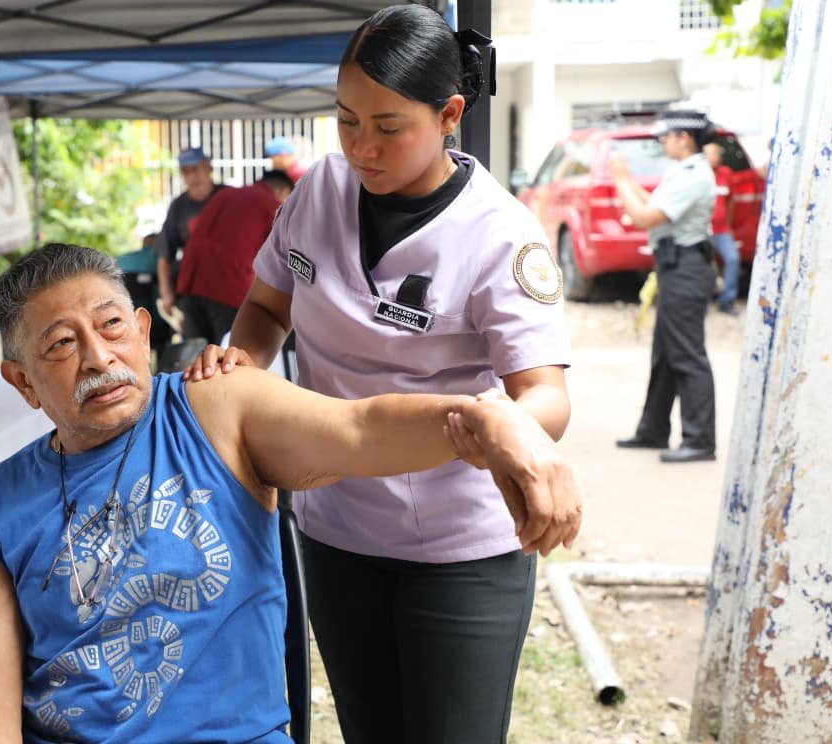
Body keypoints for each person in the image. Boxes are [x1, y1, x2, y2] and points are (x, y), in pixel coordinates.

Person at [0, 243, 579, 744]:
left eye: (111, 326)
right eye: (61, 344)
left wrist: (490, 421)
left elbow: (361, 429)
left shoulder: (216, 409)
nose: (97, 357)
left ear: (142, 332)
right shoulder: (1, 502)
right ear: (22, 382)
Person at [184, 6, 574, 742]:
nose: (362, 147)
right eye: (346, 121)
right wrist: (243, 359)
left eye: (388, 127)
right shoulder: (318, 192)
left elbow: (545, 395)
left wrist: (503, 426)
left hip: (459, 548)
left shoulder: (499, 235)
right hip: (337, 529)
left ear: (449, 115)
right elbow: (266, 305)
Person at [610, 108, 718, 463]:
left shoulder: (693, 175)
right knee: (666, 354)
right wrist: (629, 183)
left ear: (684, 138)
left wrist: (620, 180)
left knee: (686, 354)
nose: (663, 142)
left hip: (686, 268)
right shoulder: (682, 171)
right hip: (676, 266)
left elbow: (646, 217)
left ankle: (699, 440)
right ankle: (653, 430)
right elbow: (651, 204)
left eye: (666, 136)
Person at [176, 170, 295, 345]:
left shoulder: (224, 195)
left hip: (191, 284)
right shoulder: (271, 204)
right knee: (228, 355)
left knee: (194, 354)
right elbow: (284, 257)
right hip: (228, 289)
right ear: (283, 191)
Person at [156, 147, 226, 319]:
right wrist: (166, 293)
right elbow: (165, 255)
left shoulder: (229, 197)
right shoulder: (178, 207)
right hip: (192, 290)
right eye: (186, 171)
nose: (192, 176)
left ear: (209, 168)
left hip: (229, 288)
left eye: (196, 169)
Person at [704, 142, 739, 315]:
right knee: (702, 264)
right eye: (711, 153)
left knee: (733, 259)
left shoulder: (726, 173)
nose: (715, 157)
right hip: (702, 229)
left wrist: (728, 224)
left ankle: (727, 300)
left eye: (717, 153)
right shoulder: (699, 174)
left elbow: (731, 201)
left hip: (721, 229)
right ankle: (702, 300)